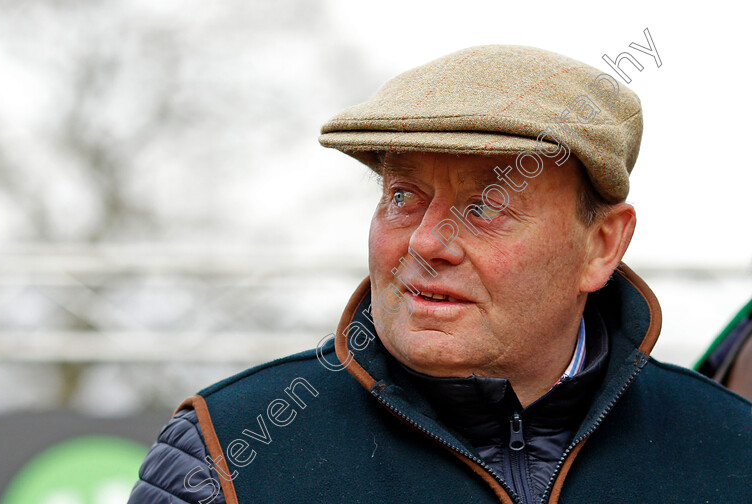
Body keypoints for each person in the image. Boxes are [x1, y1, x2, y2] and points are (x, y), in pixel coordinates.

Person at [128, 45, 752, 504]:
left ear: (601, 245)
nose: (426, 242)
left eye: (483, 208)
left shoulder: (732, 451)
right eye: (403, 196)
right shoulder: (225, 453)